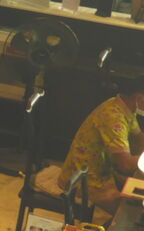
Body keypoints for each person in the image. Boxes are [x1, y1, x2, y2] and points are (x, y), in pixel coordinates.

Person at [55, 74, 144, 216]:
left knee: (136, 197)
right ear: (139, 99)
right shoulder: (114, 117)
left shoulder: (123, 106)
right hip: (85, 182)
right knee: (133, 214)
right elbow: (125, 165)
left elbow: (139, 139)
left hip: (103, 173)